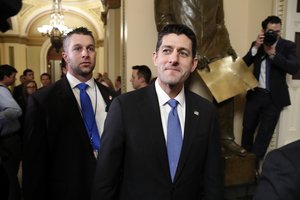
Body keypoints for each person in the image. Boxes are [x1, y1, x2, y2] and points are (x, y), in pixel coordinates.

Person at [92, 24, 223, 200]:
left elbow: (212, 180)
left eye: (183, 53)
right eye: (167, 50)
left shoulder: (206, 112)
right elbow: (105, 179)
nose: (173, 59)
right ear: (155, 57)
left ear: (193, 64)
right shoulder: (124, 107)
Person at [22, 27, 116, 200]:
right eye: (78, 48)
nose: (85, 54)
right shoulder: (42, 101)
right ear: (65, 56)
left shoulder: (113, 97)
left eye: (90, 48)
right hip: (66, 191)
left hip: (109, 190)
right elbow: (34, 164)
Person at [154, 0, 246, 156]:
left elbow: (219, 23)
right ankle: (171, 139)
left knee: (227, 90)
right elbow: (163, 20)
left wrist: (226, 45)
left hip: (214, 46)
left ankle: (225, 138)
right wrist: (185, 45)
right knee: (172, 94)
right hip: (183, 48)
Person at [241, 16, 299, 170]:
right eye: (271, 31)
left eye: (278, 31)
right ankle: (243, 165)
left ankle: (252, 169)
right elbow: (243, 64)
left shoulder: (288, 46)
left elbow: (293, 68)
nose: (275, 34)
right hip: (255, 95)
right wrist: (255, 48)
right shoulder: (257, 45)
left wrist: (273, 54)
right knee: (247, 129)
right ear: (263, 31)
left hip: (274, 99)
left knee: (264, 136)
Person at [0, 64, 23, 200]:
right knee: (10, 175)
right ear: (6, 77)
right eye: (13, 77)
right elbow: (16, 110)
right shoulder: (2, 91)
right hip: (8, 140)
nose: (15, 79)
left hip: (9, 139)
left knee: (10, 174)